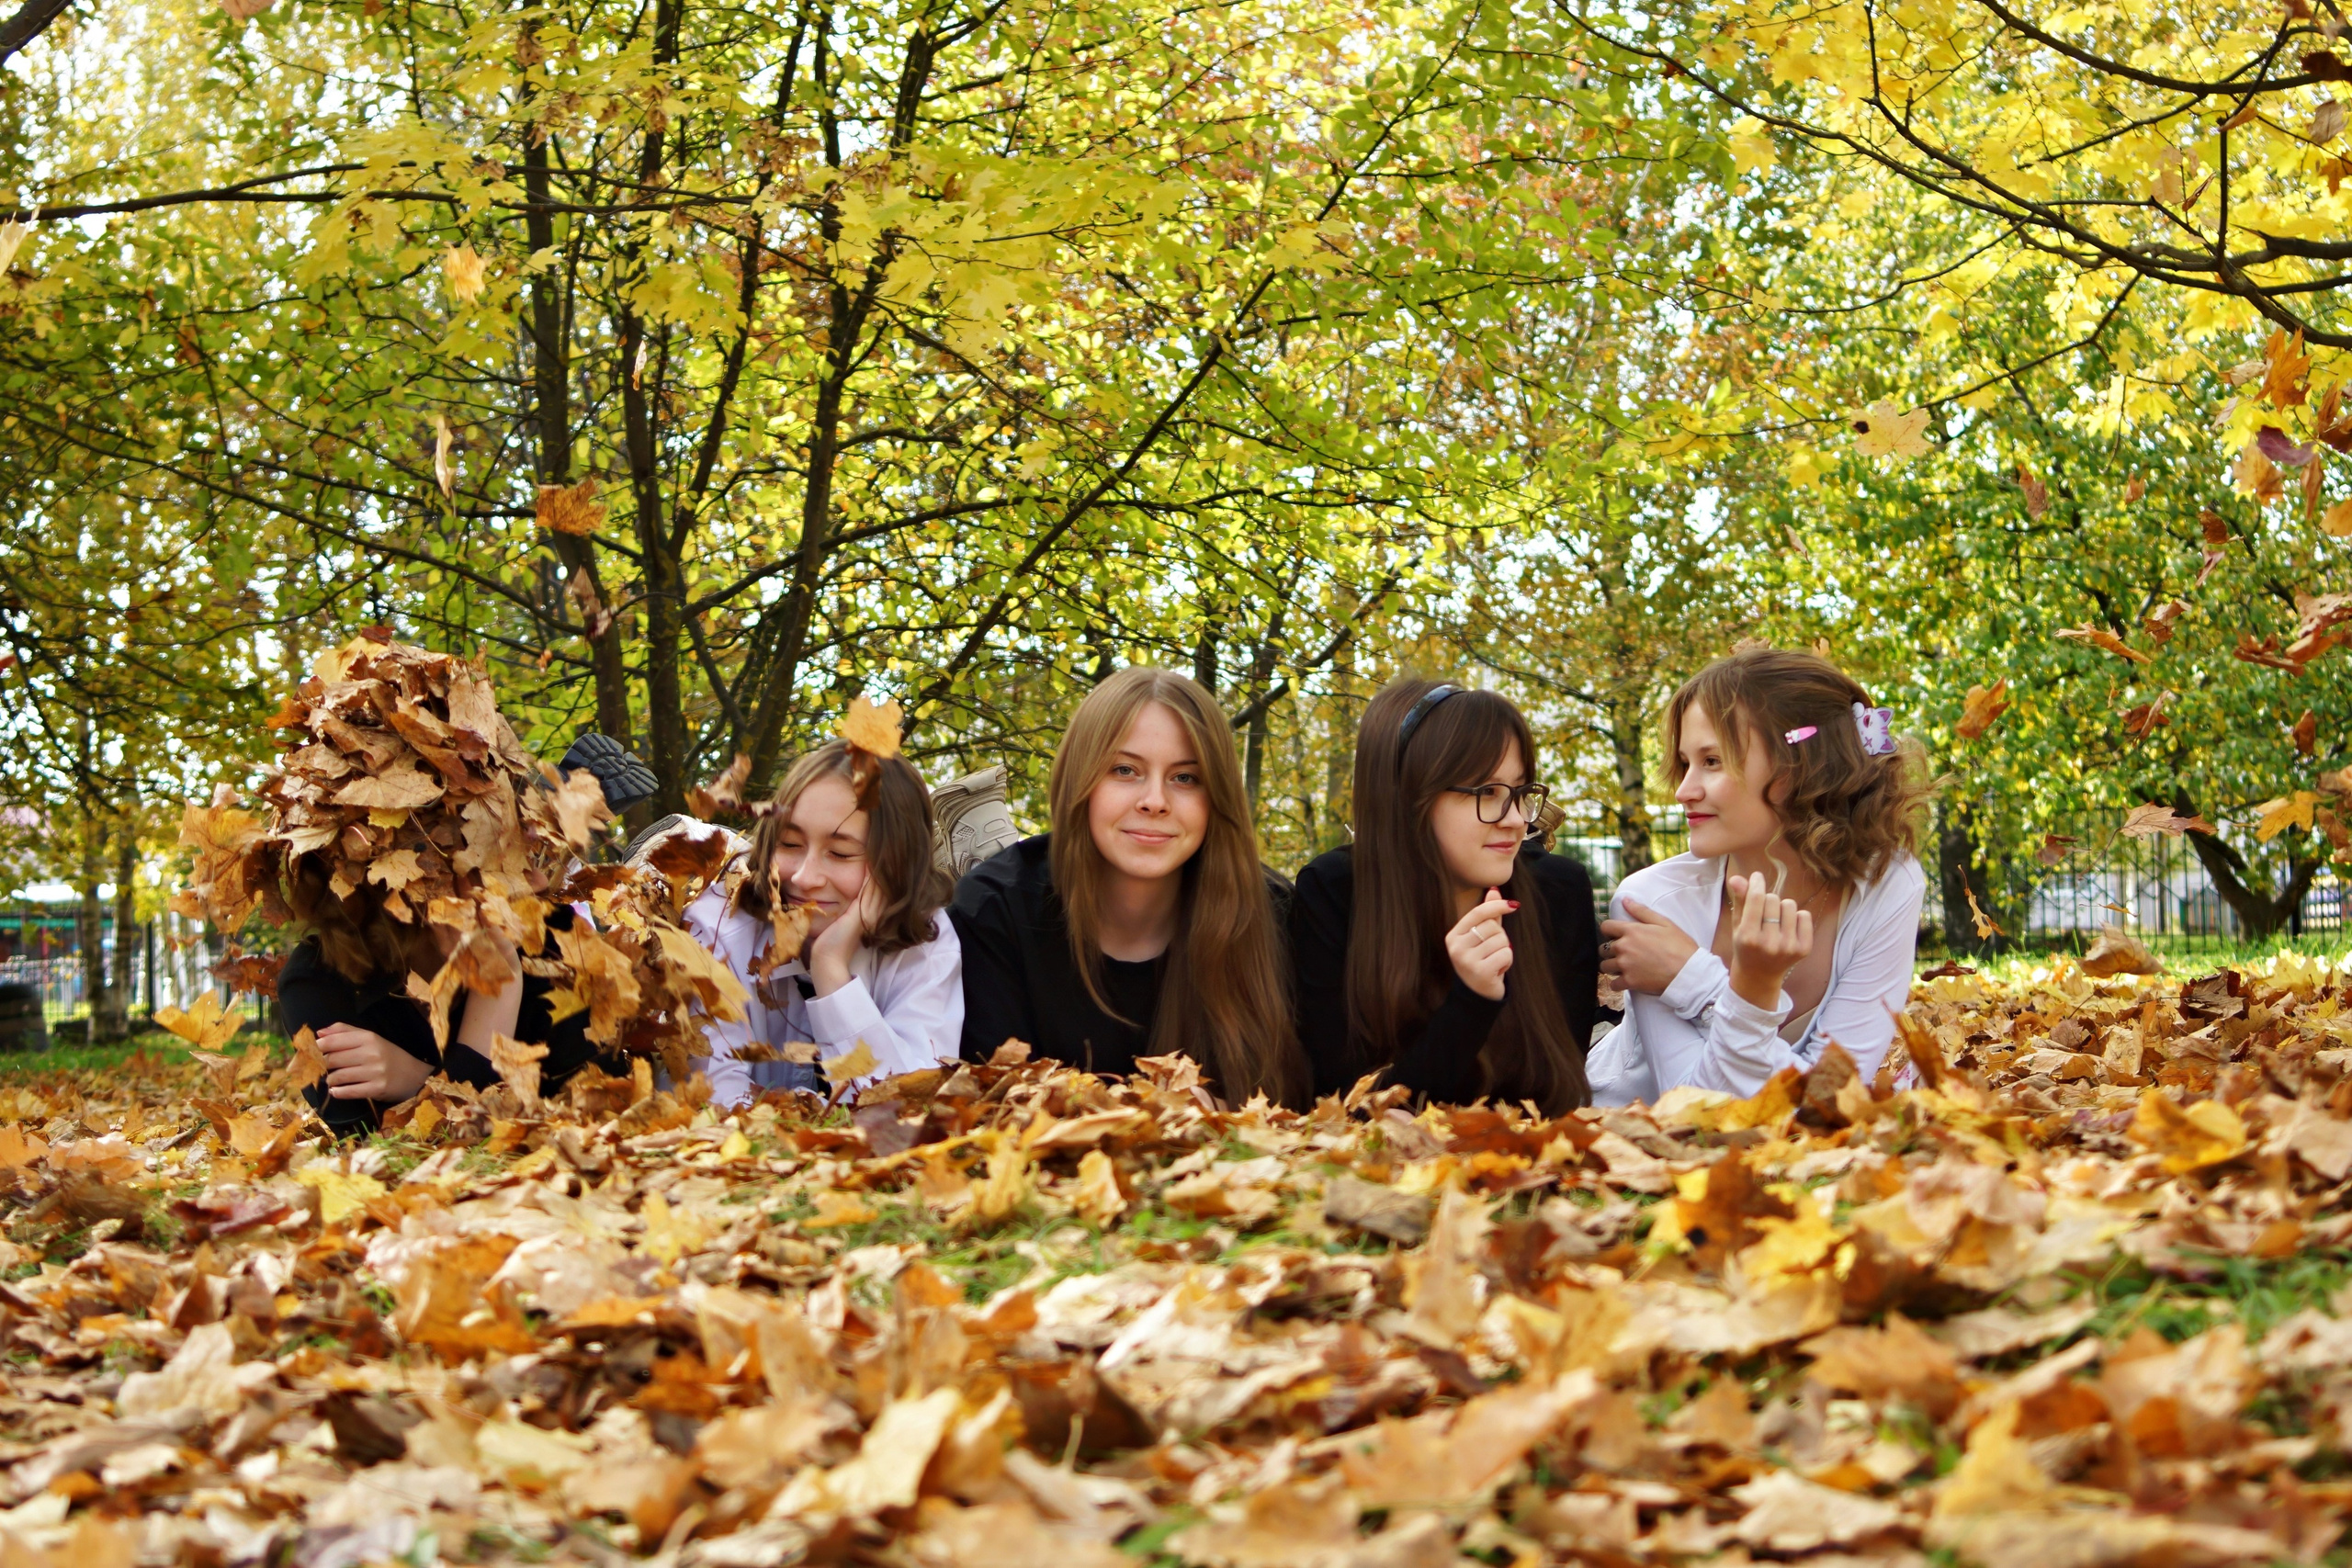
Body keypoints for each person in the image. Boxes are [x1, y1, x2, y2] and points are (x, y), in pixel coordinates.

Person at [951, 667, 1307, 1107]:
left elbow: (1293, 1111)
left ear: (1217, 797)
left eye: (1185, 778)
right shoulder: (995, 911)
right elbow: (994, 1105)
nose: (1155, 801)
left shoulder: (1272, 916)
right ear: (1079, 780)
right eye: (1124, 770)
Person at [1589, 647, 1930, 1104]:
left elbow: (1831, 1097)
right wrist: (1747, 993)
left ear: (1800, 768)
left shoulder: (1888, 884)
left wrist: (1696, 981)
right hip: (1624, 1138)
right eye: (1686, 763)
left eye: (1712, 761)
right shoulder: (1651, 901)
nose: (1684, 790)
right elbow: (1696, 1113)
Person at [1290, 679, 1600, 1112]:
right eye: (1487, 793)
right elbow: (1343, 1108)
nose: (1514, 820)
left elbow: (1557, 1097)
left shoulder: (1556, 893)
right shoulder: (1337, 892)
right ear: (1408, 799)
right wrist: (1470, 1003)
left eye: (1520, 791)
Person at [683, 740, 962, 1107]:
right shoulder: (718, 925)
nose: (804, 876)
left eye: (841, 853)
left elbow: (907, 1111)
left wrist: (831, 972)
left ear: (896, 863)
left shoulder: (926, 944)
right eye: (790, 843)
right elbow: (712, 1104)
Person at [278, 868, 616, 1134]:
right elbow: (394, 1173)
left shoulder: (554, 934)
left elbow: (605, 1117)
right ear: (421, 870)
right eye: (494, 844)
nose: (540, 879)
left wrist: (419, 1082)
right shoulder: (316, 984)